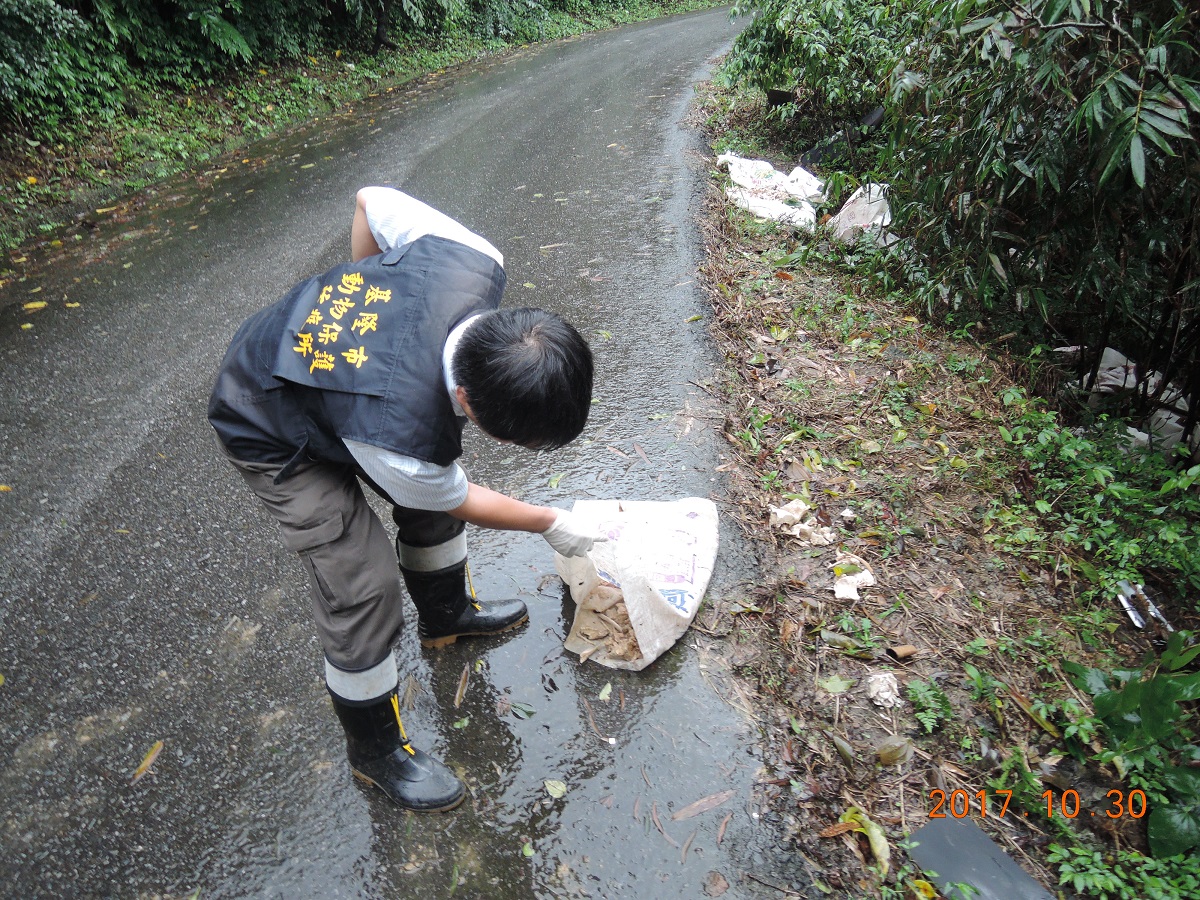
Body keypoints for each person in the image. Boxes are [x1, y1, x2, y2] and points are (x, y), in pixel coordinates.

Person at [208, 186, 603, 812]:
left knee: (426, 485)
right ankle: (375, 751)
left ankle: (446, 619)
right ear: (471, 401)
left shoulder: (472, 258)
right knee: (360, 582)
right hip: (269, 417)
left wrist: (363, 285)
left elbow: (370, 202)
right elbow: (458, 498)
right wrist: (552, 522)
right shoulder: (404, 443)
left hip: (352, 406)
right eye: (520, 439)